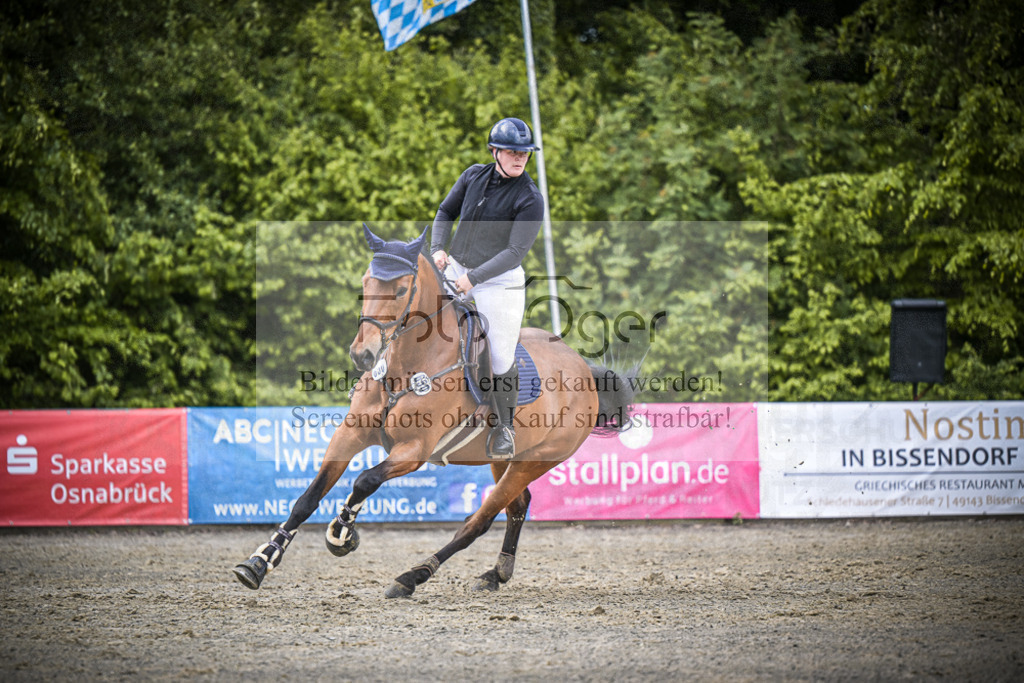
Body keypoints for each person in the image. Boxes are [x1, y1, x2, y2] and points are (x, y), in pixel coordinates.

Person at [430, 117, 544, 459]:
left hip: (500, 282)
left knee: (499, 354)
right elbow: (445, 211)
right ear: (494, 151)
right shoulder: (473, 176)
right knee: (419, 319)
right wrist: (437, 247)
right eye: (512, 151)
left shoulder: (530, 198)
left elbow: (514, 253)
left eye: (524, 153)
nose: (520, 158)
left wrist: (473, 278)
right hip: (458, 268)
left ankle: (505, 427)